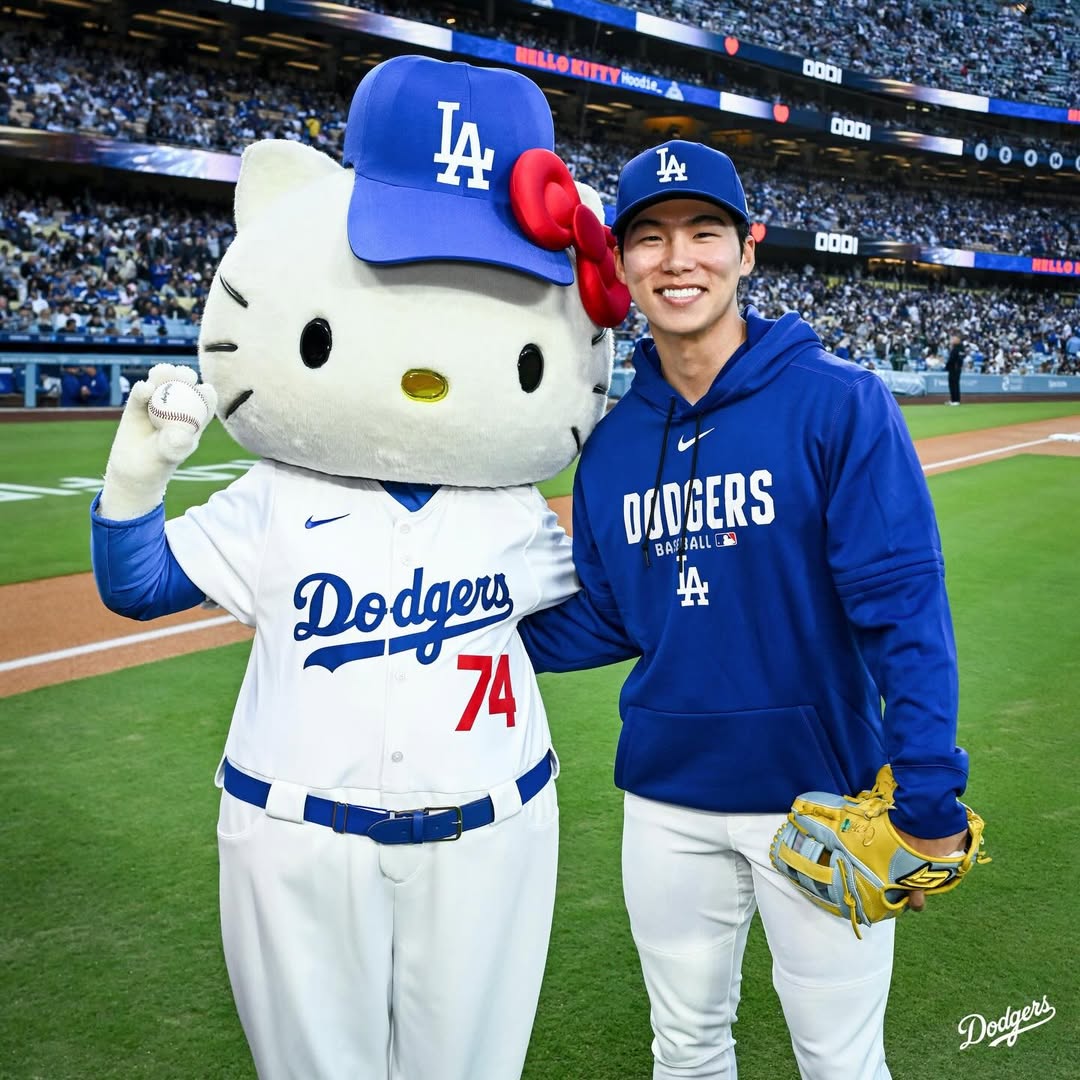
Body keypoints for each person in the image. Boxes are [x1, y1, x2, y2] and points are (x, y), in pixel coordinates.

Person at [519, 140, 971, 1080]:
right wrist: (466, 633)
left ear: (747, 249)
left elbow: (904, 610)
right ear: (622, 263)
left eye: (703, 232)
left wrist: (928, 796)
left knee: (840, 1061)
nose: (677, 258)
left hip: (818, 798)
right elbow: (612, 615)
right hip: (664, 800)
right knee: (684, 1051)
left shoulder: (839, 403)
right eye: (649, 237)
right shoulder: (610, 446)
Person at [945, 332, 964, 404]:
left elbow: (955, 359)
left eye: (954, 339)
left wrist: (949, 365)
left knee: (955, 384)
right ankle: (953, 399)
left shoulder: (959, 348)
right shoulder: (954, 348)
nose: (952, 340)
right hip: (952, 368)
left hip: (955, 368)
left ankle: (956, 400)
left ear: (958, 340)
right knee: (951, 384)